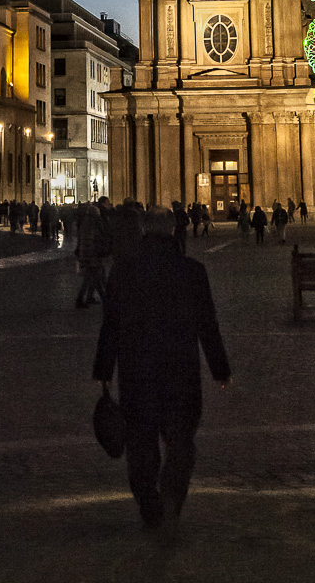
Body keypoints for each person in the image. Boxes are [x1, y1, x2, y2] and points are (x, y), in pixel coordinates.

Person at [93, 207, 231, 535]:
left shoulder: (123, 271)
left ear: (143, 229)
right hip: (180, 372)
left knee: (140, 442)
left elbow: (110, 325)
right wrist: (220, 368)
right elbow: (207, 325)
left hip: (137, 372)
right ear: (172, 230)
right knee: (181, 440)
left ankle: (148, 502)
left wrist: (103, 369)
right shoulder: (192, 271)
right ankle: (172, 497)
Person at [76, 200, 111, 308]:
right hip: (94, 253)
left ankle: (87, 298)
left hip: (85, 253)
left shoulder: (85, 223)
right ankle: (104, 300)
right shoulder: (96, 223)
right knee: (96, 277)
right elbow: (100, 237)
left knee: (91, 277)